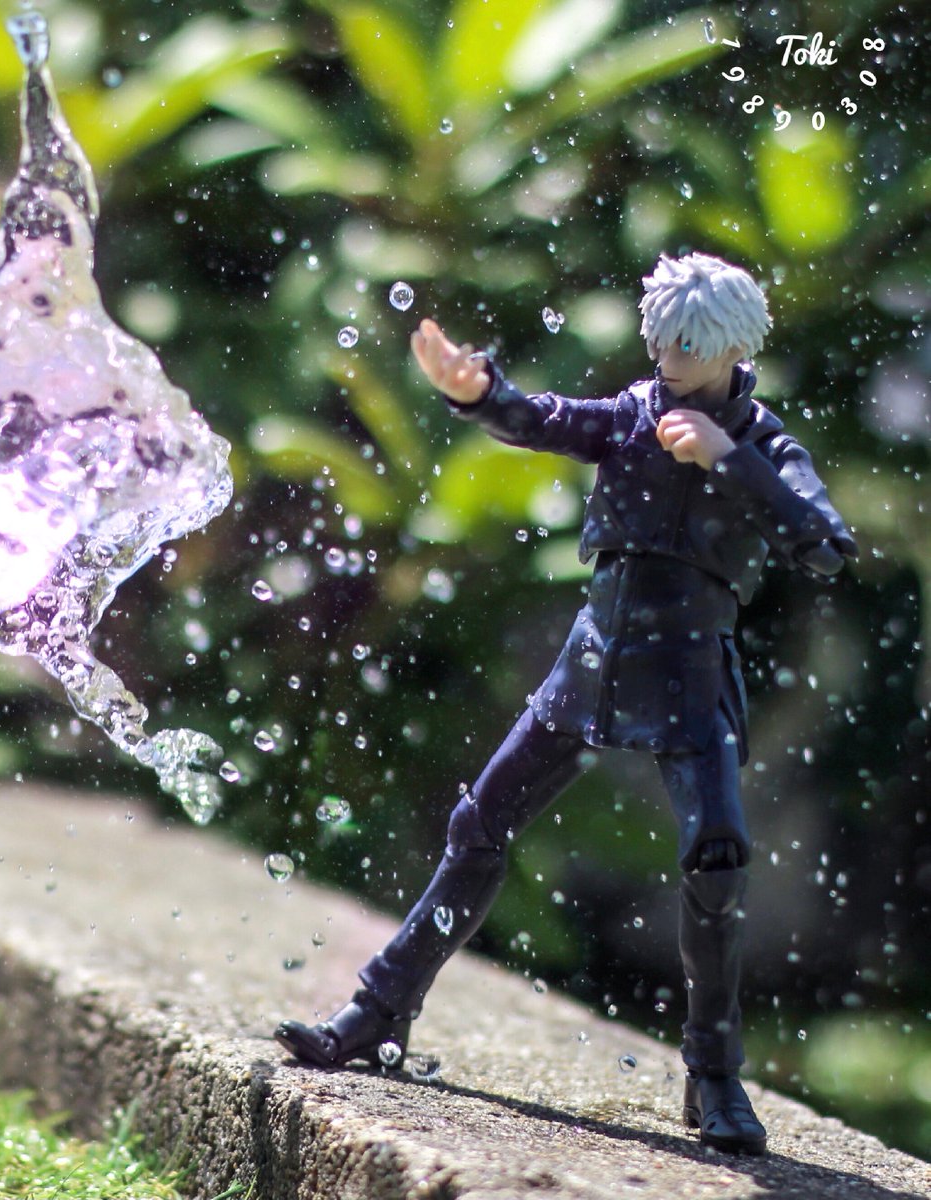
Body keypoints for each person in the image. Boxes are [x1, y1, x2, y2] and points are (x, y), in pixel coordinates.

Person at [275, 252, 857, 1155]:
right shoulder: (634, 413)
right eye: (660, 342)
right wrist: (478, 393)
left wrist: (728, 459)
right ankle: (380, 1009)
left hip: (690, 674)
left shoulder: (764, 443)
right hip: (594, 663)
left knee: (717, 858)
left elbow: (822, 543)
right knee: (480, 823)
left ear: (731, 349)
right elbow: (549, 420)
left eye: (687, 348)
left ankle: (713, 1074)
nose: (667, 361)